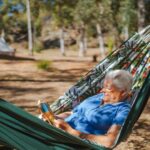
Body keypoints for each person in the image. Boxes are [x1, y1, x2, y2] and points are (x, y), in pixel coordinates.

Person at [47, 70, 133, 148]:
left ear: (123, 92)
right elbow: (72, 113)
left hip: (73, 143)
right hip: (58, 132)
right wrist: (54, 117)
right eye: (104, 86)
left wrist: (70, 131)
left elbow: (110, 141)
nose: (102, 90)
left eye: (108, 88)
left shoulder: (123, 111)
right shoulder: (98, 97)